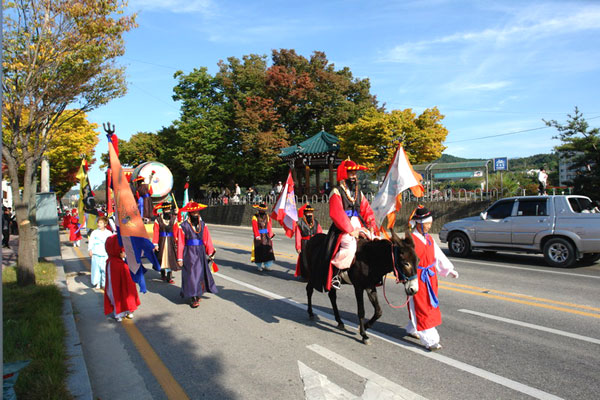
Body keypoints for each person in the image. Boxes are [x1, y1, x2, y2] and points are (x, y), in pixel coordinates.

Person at [405, 205, 459, 351]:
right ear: (419, 224)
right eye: (427, 224)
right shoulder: (411, 240)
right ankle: (430, 340)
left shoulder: (428, 238)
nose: (430, 226)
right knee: (422, 307)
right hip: (418, 278)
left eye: (430, 223)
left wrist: (449, 269)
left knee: (430, 305)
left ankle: (412, 327)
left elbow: (438, 255)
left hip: (430, 277)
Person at [326, 158, 377, 290]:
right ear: (344, 174)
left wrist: (371, 225)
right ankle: (337, 274)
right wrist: (350, 230)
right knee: (349, 247)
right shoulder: (336, 191)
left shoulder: (357, 192)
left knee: (376, 241)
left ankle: (374, 274)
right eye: (351, 173)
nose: (354, 177)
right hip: (342, 227)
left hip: (359, 223)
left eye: (355, 174)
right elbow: (336, 213)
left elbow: (366, 209)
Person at [176, 202, 218, 308]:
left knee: (200, 274)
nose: (195, 213)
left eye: (197, 212)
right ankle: (193, 297)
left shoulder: (203, 225)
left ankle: (198, 293)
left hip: (200, 252)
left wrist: (210, 252)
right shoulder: (183, 226)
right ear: (189, 213)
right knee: (191, 275)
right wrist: (180, 258)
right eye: (193, 212)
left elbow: (207, 239)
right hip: (189, 253)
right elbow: (180, 242)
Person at [104, 235, 140, 322]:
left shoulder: (117, 263)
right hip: (116, 267)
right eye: (122, 251)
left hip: (119, 265)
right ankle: (119, 311)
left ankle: (128, 309)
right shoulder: (114, 263)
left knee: (128, 289)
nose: (124, 253)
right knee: (116, 290)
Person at [152, 202, 180, 284]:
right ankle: (162, 273)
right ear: (163, 210)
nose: (167, 211)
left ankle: (169, 276)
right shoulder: (158, 220)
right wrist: (155, 244)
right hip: (161, 241)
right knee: (161, 258)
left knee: (170, 258)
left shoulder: (174, 219)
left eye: (168, 209)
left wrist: (177, 241)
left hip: (171, 241)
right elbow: (156, 232)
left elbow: (176, 231)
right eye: (166, 209)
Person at [294, 203, 322, 277]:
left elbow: (319, 232)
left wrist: (321, 242)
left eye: (311, 212)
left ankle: (314, 274)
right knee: (305, 260)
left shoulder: (316, 222)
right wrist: (298, 247)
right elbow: (298, 236)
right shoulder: (300, 224)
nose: (309, 214)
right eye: (308, 212)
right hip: (305, 243)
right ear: (305, 213)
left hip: (314, 243)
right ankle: (306, 275)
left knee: (314, 259)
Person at [88, 216, 113, 289]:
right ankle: (97, 283)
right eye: (98, 223)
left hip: (105, 254)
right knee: (96, 269)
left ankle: (104, 283)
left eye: (101, 223)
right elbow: (91, 242)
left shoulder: (109, 233)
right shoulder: (94, 232)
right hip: (96, 253)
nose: (99, 224)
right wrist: (90, 250)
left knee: (104, 270)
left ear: (105, 224)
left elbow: (111, 243)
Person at [251, 202, 275, 272]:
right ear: (259, 209)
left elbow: (269, 226)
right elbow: (255, 227)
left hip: (266, 236)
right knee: (259, 251)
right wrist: (257, 235)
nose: (263, 211)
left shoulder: (267, 216)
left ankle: (267, 265)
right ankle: (259, 266)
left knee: (268, 250)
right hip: (259, 236)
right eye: (262, 210)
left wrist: (271, 234)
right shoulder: (255, 217)